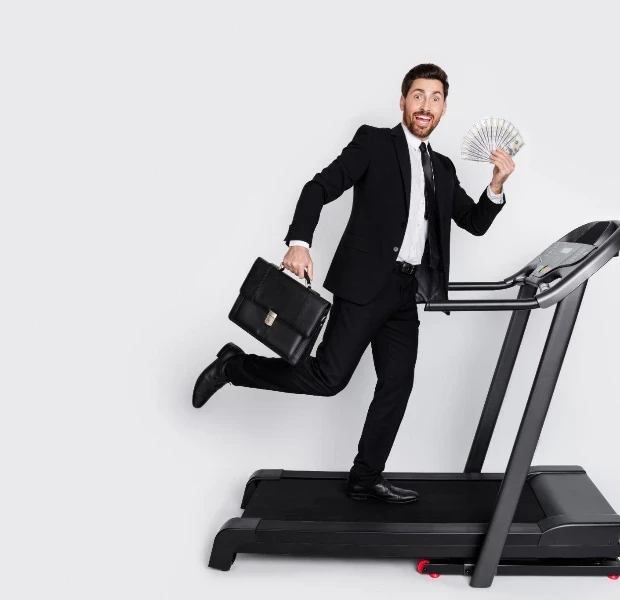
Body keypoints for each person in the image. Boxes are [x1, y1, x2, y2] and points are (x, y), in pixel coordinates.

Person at [192, 63, 515, 503]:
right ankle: (233, 366)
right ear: (403, 101)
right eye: (418, 96)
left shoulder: (442, 166)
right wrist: (300, 242)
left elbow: (473, 223)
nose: (426, 106)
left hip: (406, 294)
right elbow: (318, 186)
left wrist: (496, 186)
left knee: (397, 383)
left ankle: (366, 477)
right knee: (328, 378)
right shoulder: (374, 143)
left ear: (443, 108)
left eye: (435, 98)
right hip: (365, 286)